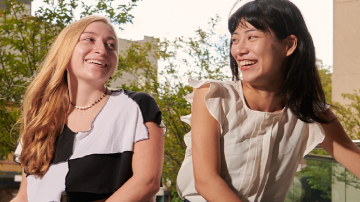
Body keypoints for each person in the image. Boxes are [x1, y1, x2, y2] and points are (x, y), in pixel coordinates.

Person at [176, 0, 360, 201]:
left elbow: (353, 157)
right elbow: (207, 181)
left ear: (289, 45)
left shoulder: (309, 111)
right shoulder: (213, 96)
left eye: (251, 37)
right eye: (235, 40)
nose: (239, 50)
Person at [11, 15, 164, 202]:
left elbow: (147, 182)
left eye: (111, 45)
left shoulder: (136, 106)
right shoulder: (39, 119)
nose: (101, 49)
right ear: (65, 51)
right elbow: (25, 196)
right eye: (89, 39)